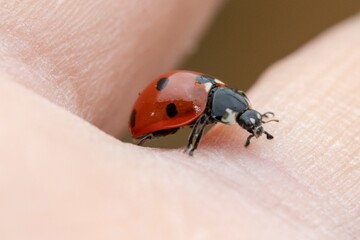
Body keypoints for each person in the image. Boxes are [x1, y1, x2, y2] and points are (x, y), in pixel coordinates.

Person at [0, 1, 358, 239]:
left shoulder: (219, 100)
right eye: (248, 122)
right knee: (192, 119)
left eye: (248, 122)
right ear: (231, 112)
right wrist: (192, 146)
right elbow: (198, 120)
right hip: (178, 109)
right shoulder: (204, 104)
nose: (249, 126)